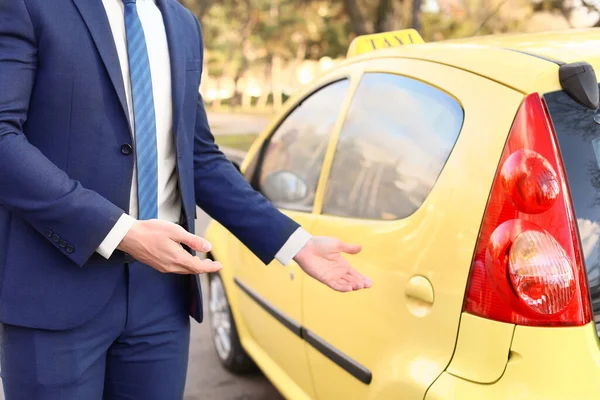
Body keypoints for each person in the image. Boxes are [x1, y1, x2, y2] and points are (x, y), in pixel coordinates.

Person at [0, 0, 372, 398]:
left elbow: (199, 156)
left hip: (161, 294)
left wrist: (294, 242)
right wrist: (119, 231)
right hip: (53, 288)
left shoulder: (181, 23)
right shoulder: (28, 6)